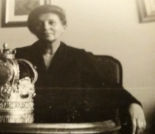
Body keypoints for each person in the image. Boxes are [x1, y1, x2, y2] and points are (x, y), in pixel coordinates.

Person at [15, 5, 146, 134]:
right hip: (30, 126)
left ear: (63, 27)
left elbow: (109, 87)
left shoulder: (81, 57)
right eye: (39, 23)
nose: (45, 27)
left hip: (73, 127)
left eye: (52, 22)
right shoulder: (19, 56)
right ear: (33, 29)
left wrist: (133, 104)